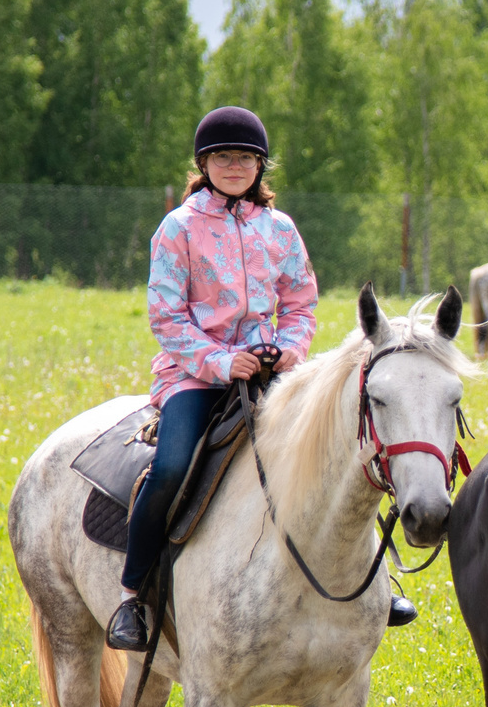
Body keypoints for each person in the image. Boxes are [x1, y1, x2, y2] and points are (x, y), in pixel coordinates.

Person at [107, 107, 409, 651]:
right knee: (171, 466)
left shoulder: (280, 229)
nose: (234, 166)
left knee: (343, 447)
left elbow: (300, 303)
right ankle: (133, 595)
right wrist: (222, 361)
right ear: (203, 164)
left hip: (271, 370)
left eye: (245, 158)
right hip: (196, 375)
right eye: (222, 157)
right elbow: (166, 316)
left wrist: (291, 350)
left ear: (260, 166)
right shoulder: (178, 228)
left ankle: (383, 579)